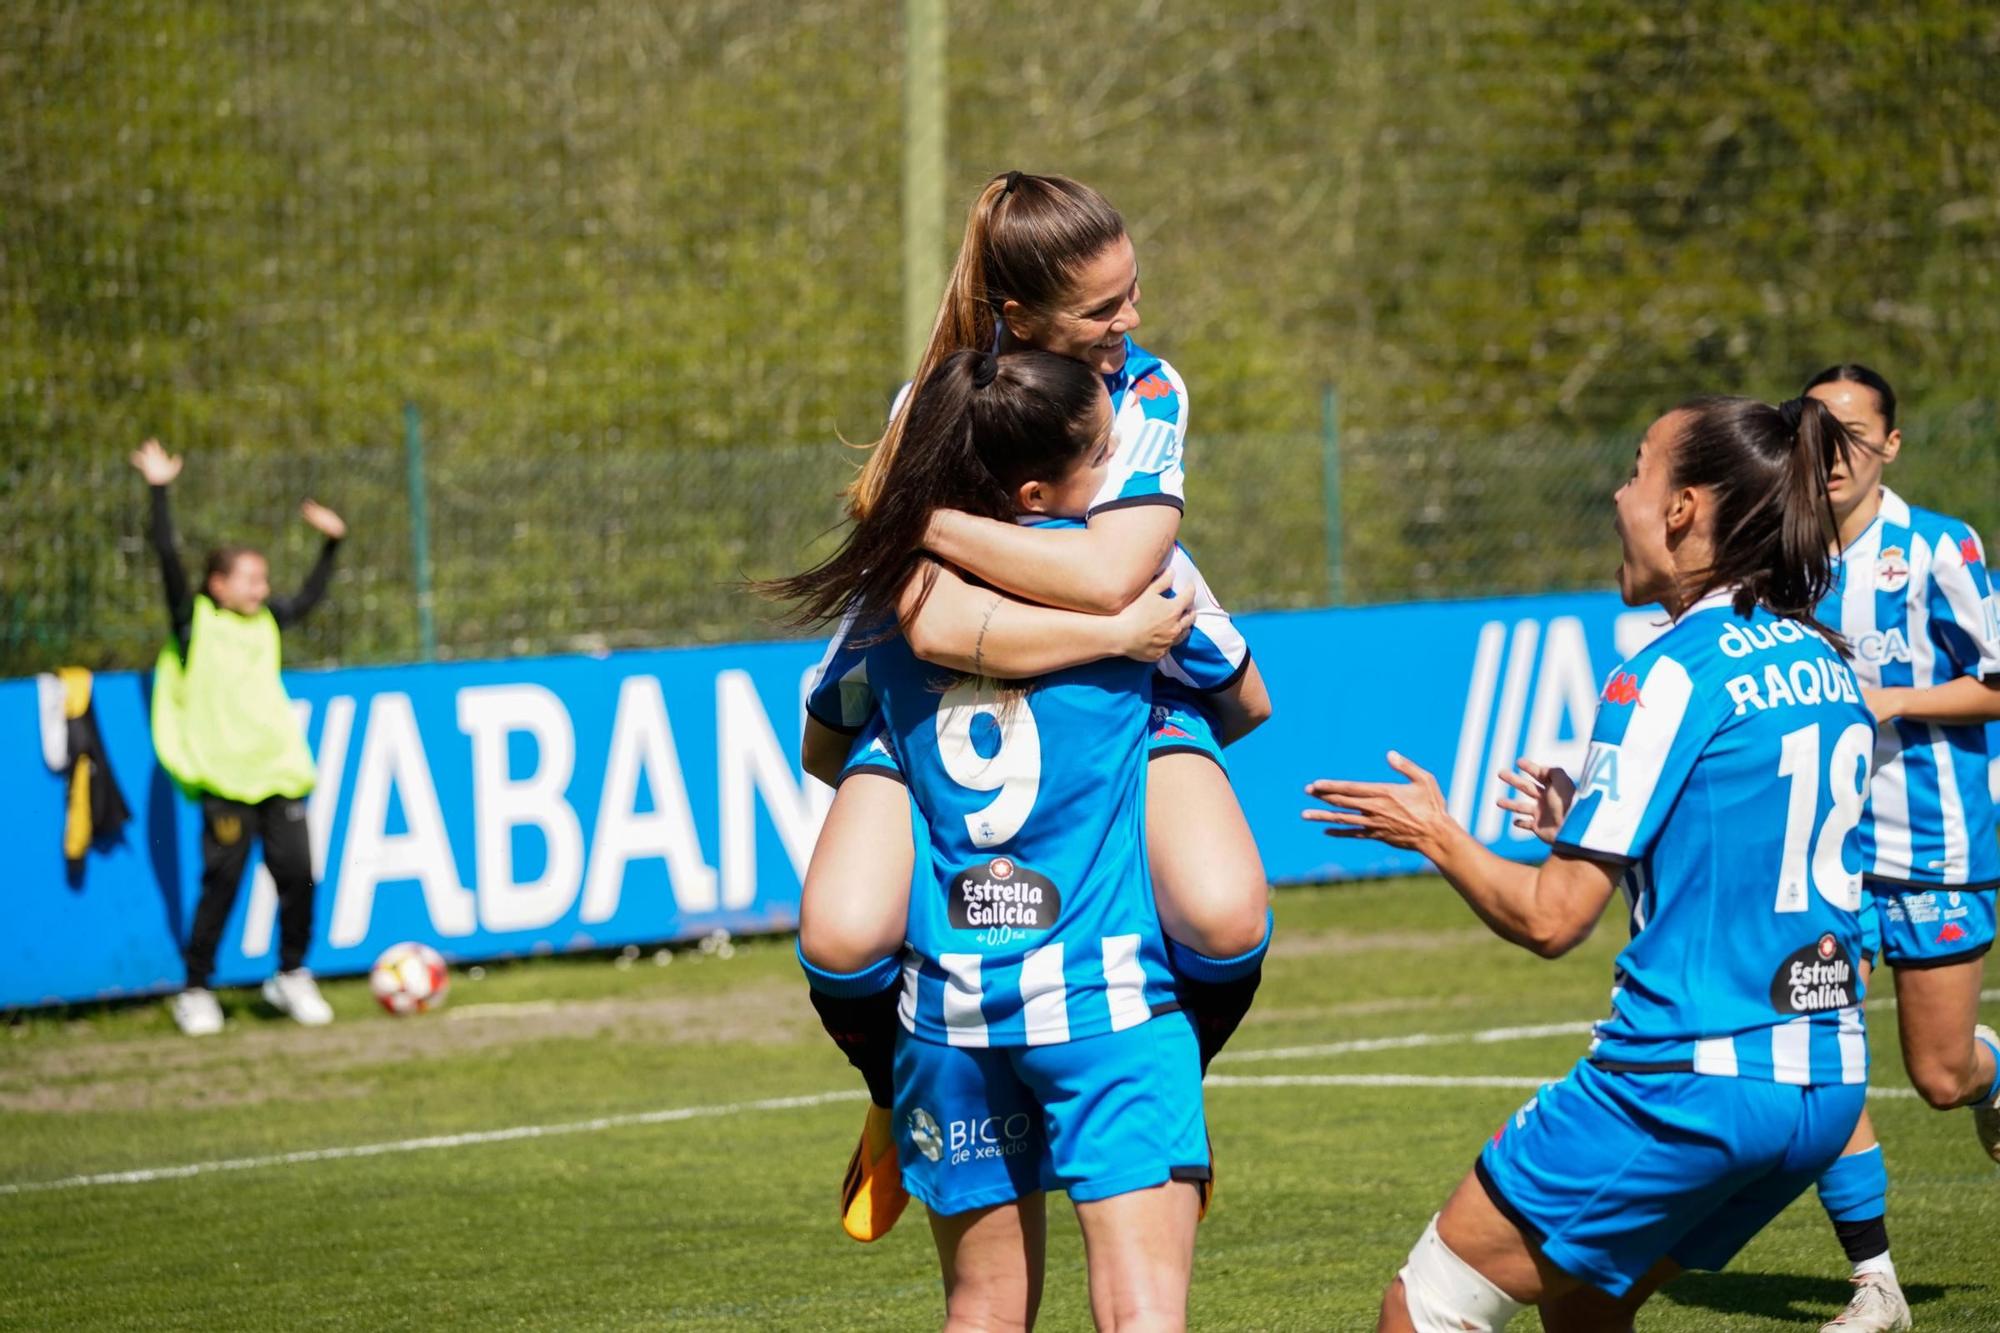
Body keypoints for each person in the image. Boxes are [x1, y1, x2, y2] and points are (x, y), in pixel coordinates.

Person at [1306, 395, 1877, 1332]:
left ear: (1683, 507)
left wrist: (1435, 833)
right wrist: (1598, 828)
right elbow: (1736, 862)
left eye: (1637, 467)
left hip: (1687, 1082)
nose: (1617, 492)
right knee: (1582, 1304)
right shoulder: (1824, 661)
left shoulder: (1666, 670)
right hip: (1825, 1086)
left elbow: (1550, 918)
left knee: (1424, 1305)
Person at [798, 171, 1273, 1241]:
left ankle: (1147, 1099)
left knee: (1223, 913)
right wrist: (932, 548)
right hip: (952, 694)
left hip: (1126, 682)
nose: (1132, 322)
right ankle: (893, 1092)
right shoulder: (929, 400)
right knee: (838, 937)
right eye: (1104, 309)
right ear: (1019, 318)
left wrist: (916, 519)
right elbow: (923, 623)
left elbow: (1117, 570)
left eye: (1133, 292)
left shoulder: (1148, 388)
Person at [773, 347, 1228, 1330]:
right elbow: (1244, 697)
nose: (1119, 476)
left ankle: (884, 1098)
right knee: (1141, 1310)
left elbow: (822, 738)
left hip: (947, 1018)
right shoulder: (1136, 590)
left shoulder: (901, 596)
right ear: (1036, 486)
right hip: (1105, 1006)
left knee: (980, 1310)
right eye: (1104, 455)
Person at [1801, 363, 2000, 1333]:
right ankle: (1872, 1281)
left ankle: (1988, 1074)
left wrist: (1887, 700)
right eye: (1813, 428)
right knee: (1819, 1057)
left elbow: (1998, 683)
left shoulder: (1935, 550)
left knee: (1936, 1074)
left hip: (1935, 844)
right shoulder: (1777, 555)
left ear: (1887, 445)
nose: (1830, 449)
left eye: (1850, 431)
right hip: (1818, 855)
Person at [132, 438, 346, 1036]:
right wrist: (158, 490)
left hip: (279, 772)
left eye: (263, 579)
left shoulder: (268, 623)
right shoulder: (195, 624)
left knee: (299, 878)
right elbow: (167, 558)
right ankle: (197, 987)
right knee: (222, 883)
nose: (260, 588)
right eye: (249, 579)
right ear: (218, 585)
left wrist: (333, 544)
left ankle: (291, 974)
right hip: (224, 779)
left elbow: (307, 597)